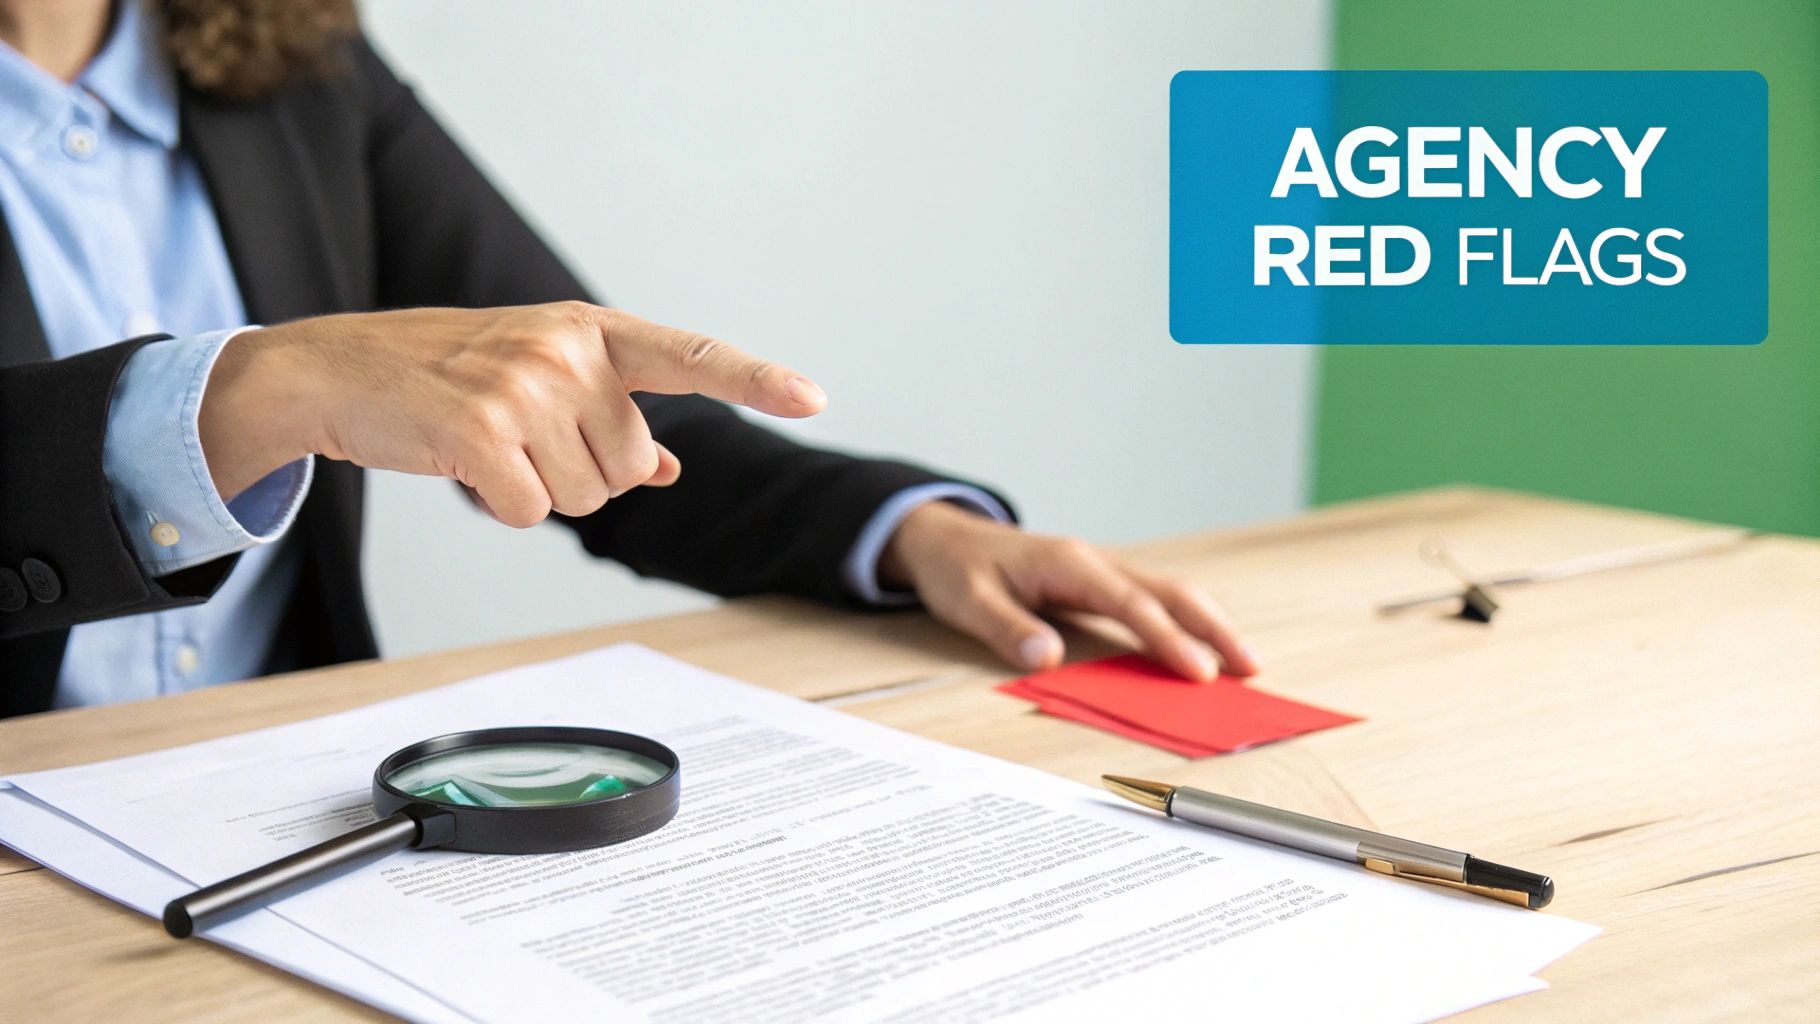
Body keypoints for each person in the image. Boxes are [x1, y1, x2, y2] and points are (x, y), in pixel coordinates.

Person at [0, 0, 1257, 718]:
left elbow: (588, 400)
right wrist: (259, 391)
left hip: (254, 802)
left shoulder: (300, 63)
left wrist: (915, 536)